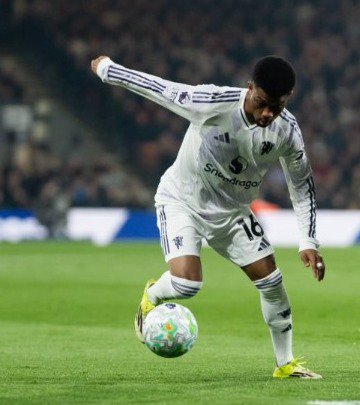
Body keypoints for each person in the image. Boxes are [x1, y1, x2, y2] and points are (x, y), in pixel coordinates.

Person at [91, 55, 324, 379]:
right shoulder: (213, 102)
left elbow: (301, 186)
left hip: (233, 213)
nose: (267, 114)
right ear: (250, 88)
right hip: (183, 200)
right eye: (261, 103)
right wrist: (108, 70)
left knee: (272, 282)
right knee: (187, 284)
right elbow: (160, 89)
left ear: (288, 99)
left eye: (277, 106)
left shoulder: (287, 131)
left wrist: (308, 241)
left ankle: (285, 364)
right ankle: (152, 295)